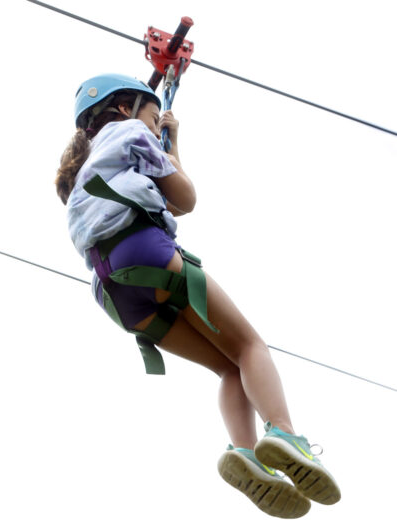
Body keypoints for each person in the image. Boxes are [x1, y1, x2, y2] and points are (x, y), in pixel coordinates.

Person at [55, 73, 341, 519]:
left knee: (228, 368)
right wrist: (172, 144)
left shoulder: (84, 166)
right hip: (144, 249)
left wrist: (160, 140)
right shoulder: (130, 132)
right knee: (249, 347)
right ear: (125, 109)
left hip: (113, 292)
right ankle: (284, 433)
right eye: (154, 118)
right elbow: (183, 198)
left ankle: (246, 454)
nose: (156, 127)